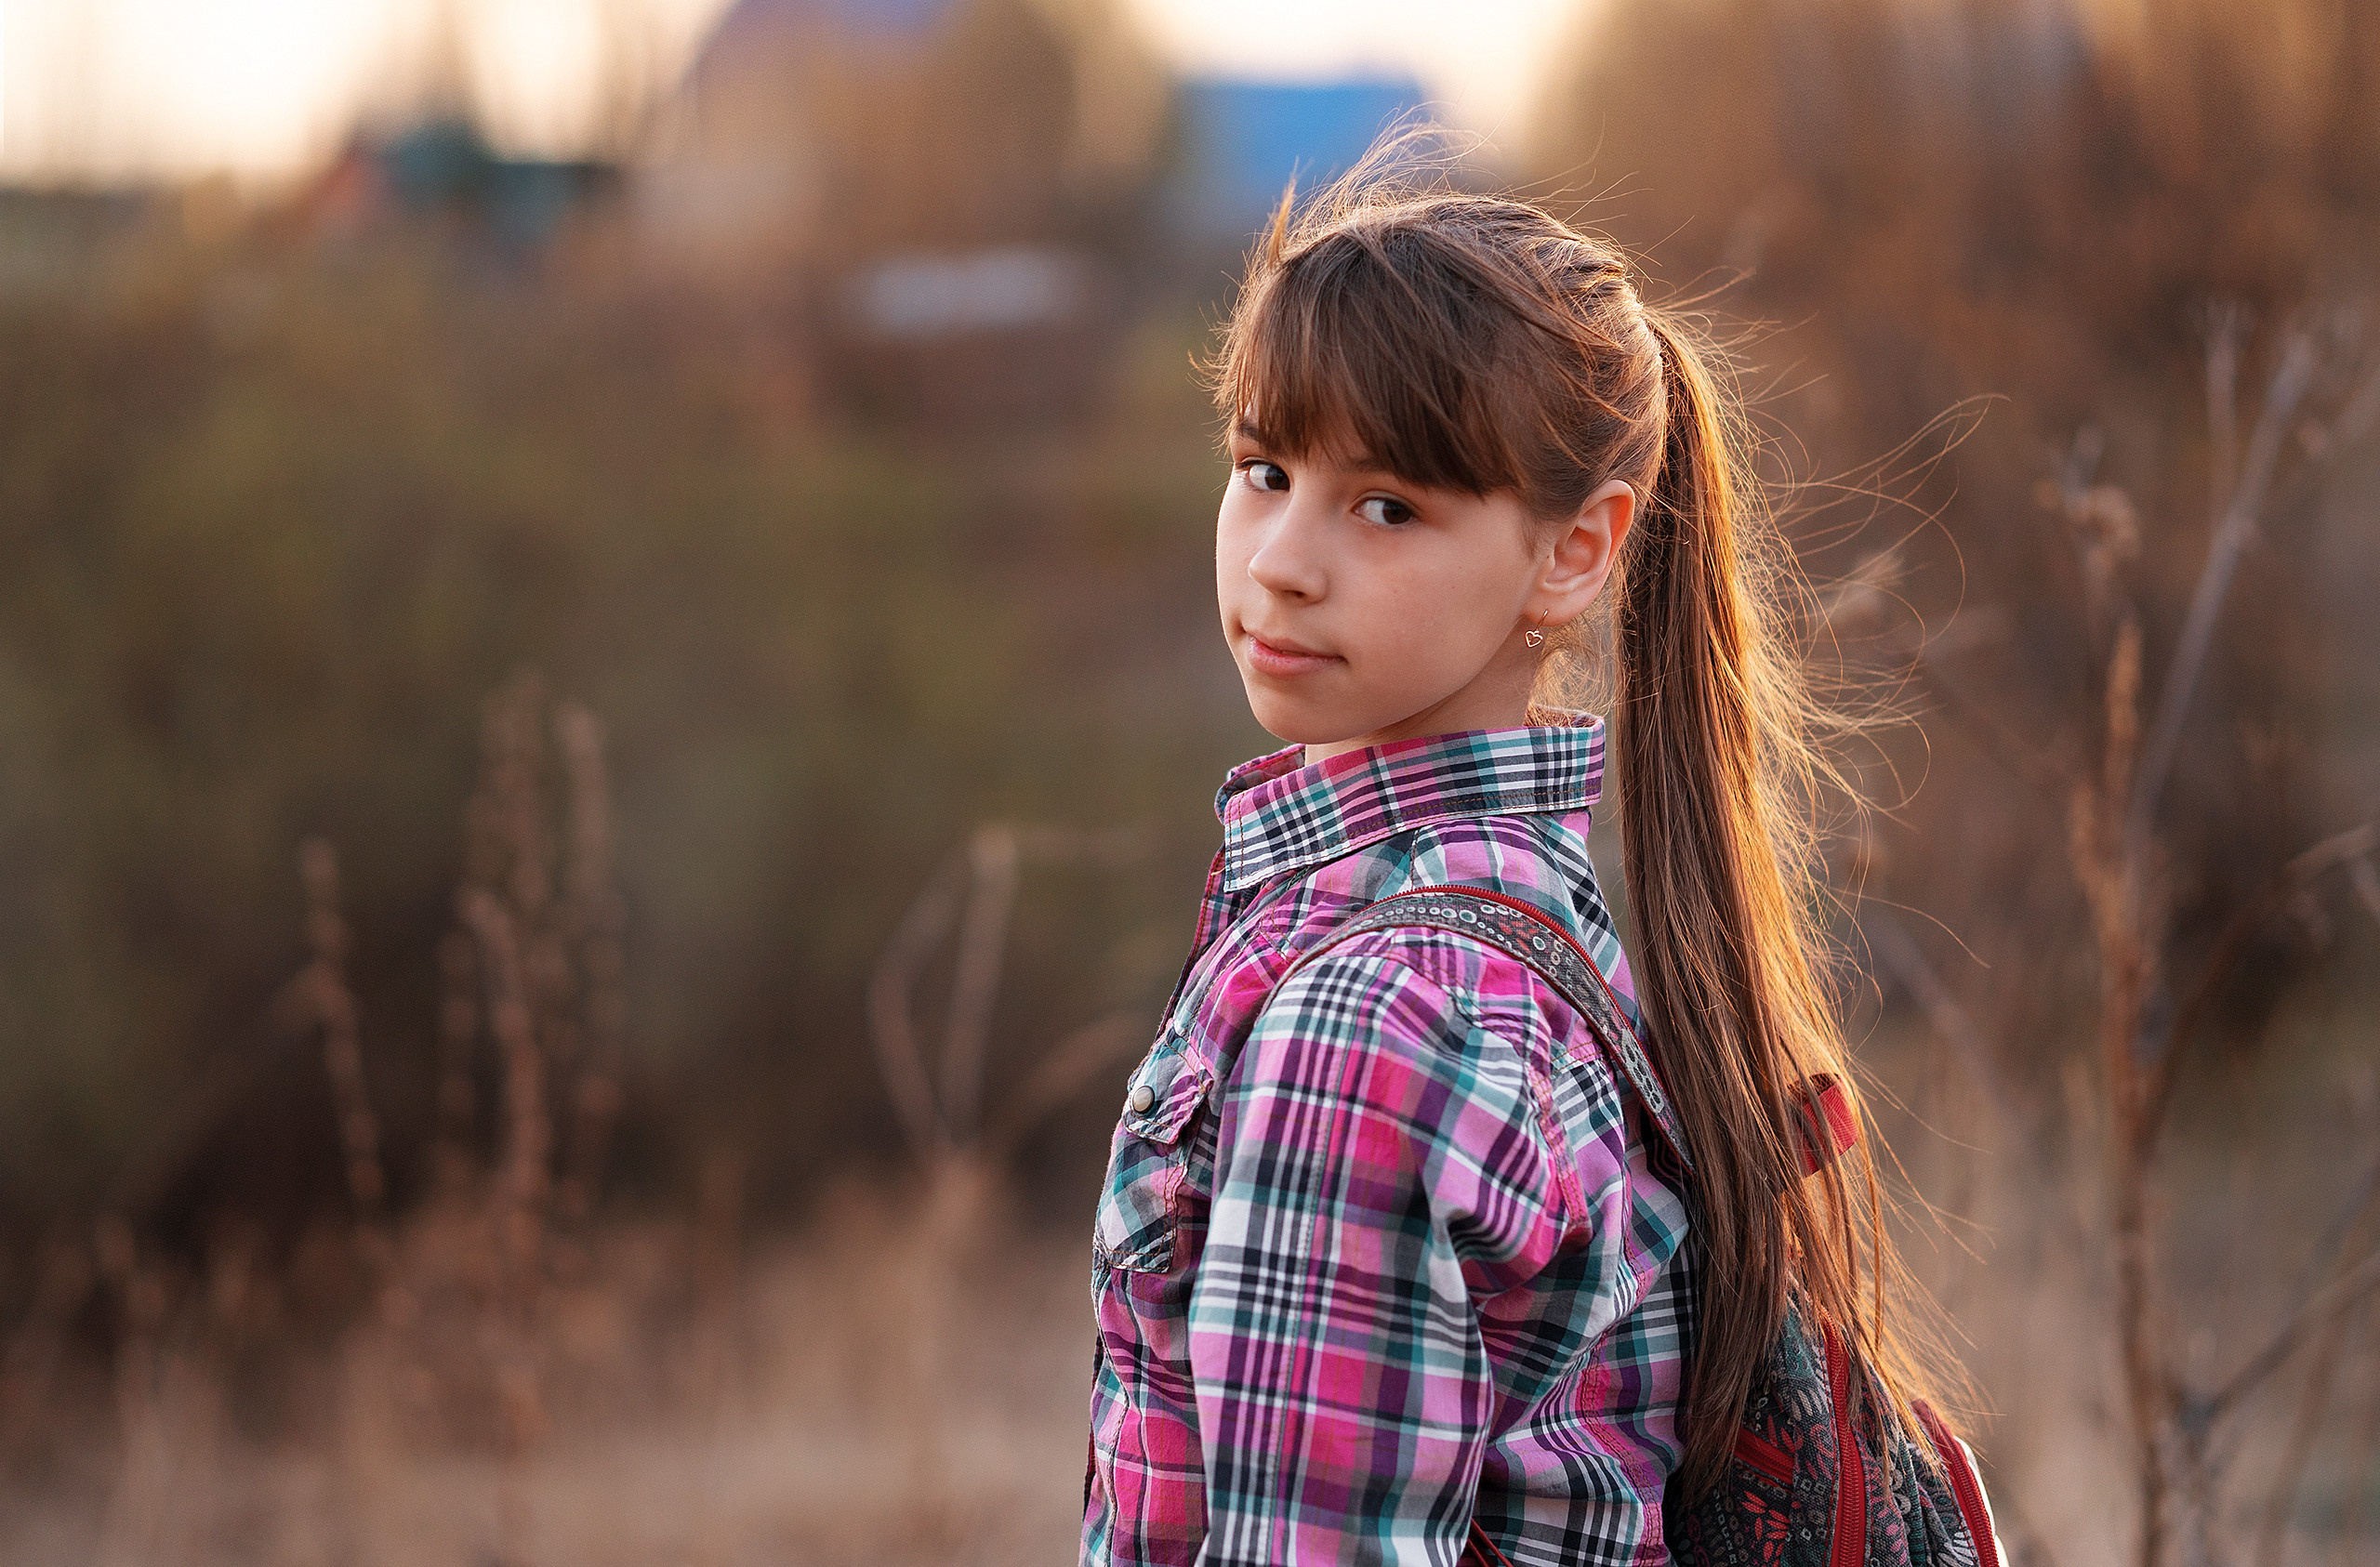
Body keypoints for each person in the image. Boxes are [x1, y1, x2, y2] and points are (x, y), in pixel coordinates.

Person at [1082, 151, 1964, 1567]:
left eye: (1388, 506)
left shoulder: (1374, 1017)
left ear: (1572, 554)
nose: (1282, 562)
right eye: (1264, 470)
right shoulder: (1528, 929)